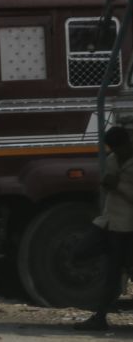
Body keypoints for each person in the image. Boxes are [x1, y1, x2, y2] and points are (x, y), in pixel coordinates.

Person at [74, 125, 133, 332]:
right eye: (114, 148)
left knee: (113, 273)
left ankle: (100, 317)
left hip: (127, 228)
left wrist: (117, 186)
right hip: (109, 223)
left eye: (120, 148)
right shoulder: (111, 160)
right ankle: (100, 316)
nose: (117, 152)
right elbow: (107, 187)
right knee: (80, 252)